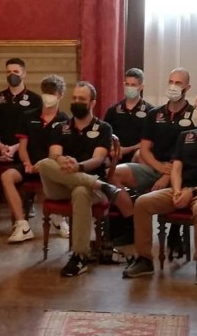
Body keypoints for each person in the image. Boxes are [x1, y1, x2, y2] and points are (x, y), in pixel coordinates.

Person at [124, 89, 197, 285]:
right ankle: (144, 259)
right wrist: (177, 190)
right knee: (142, 203)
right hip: (181, 188)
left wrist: (192, 192)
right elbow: (176, 168)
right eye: (196, 107)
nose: (196, 110)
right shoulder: (185, 136)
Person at [37, 81, 133, 278]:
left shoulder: (103, 128)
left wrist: (78, 167)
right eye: (74, 98)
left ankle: (79, 256)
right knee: (45, 163)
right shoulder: (60, 127)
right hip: (60, 185)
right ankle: (98, 184)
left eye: (82, 99)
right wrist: (64, 160)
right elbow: (54, 154)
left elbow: (98, 159)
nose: (76, 102)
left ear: (92, 103)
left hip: (90, 190)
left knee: (81, 191)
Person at [3, 75, 69, 243]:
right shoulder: (28, 116)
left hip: (50, 166)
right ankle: (22, 224)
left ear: (60, 95)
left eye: (52, 93)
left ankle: (59, 219)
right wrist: (27, 163)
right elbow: (22, 146)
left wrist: (44, 165)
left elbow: (59, 151)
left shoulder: (65, 121)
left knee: (64, 174)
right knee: (6, 176)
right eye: (45, 92)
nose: (48, 96)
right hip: (28, 165)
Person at [113, 68, 195, 194]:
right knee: (113, 173)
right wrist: (159, 167)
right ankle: (130, 212)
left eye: (178, 83)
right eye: (171, 82)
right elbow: (144, 149)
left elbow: (191, 154)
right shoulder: (154, 114)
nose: (173, 86)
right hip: (154, 167)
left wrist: (167, 176)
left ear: (187, 87)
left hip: (181, 170)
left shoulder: (194, 115)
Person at [0, 58, 42, 172]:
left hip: (25, 151)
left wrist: (15, 148)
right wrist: (2, 147)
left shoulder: (35, 100)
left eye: (16, 72)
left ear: (24, 74)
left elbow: (36, 131)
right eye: (8, 72)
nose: (12, 75)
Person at [103, 68, 154, 162]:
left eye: (133, 85)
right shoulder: (113, 110)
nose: (129, 87)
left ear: (141, 87)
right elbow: (105, 136)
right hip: (114, 157)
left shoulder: (151, 112)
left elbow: (150, 142)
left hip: (139, 158)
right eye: (127, 84)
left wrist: (126, 150)